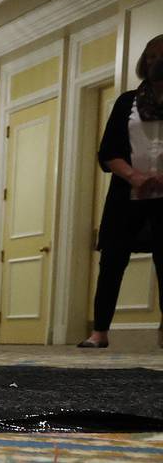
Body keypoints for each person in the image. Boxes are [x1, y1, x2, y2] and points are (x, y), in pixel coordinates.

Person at [81, 33, 163, 349]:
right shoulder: (127, 102)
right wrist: (135, 176)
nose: (157, 63)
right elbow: (108, 151)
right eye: (152, 57)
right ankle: (99, 331)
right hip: (127, 195)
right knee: (112, 262)